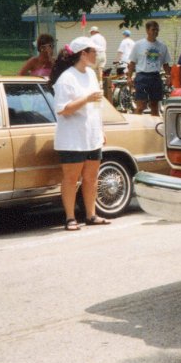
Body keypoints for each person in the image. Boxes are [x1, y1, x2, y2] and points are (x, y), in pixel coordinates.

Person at [49, 37, 109, 231]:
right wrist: (86, 99)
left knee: (91, 177)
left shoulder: (91, 74)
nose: (96, 55)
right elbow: (63, 109)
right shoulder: (66, 78)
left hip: (91, 136)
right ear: (83, 53)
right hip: (72, 139)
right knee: (71, 179)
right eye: (93, 51)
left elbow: (97, 107)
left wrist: (101, 130)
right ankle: (70, 217)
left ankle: (91, 214)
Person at [126, 20, 172, 115]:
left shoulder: (162, 46)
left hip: (155, 77)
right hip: (142, 77)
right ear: (147, 30)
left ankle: (154, 128)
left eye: (157, 30)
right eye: (153, 29)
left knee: (154, 106)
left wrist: (169, 76)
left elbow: (166, 64)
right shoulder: (138, 45)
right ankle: (136, 126)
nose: (155, 32)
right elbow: (132, 63)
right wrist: (129, 77)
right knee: (141, 106)